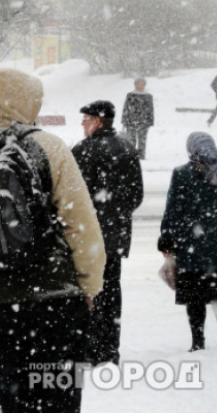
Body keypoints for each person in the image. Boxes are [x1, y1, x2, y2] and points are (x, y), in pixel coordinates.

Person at [0, 68, 105, 413]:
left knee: (5, 401)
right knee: (59, 399)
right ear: (30, 100)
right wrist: (88, 287)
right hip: (55, 300)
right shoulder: (50, 147)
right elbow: (82, 226)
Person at [72, 100, 144, 366]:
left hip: (88, 237)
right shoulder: (126, 148)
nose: (82, 124)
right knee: (111, 290)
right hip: (115, 237)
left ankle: (90, 349)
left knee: (87, 291)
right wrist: (117, 215)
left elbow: (71, 198)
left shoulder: (82, 151)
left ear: (98, 121)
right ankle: (110, 349)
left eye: (86, 118)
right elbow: (137, 195)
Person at [158, 132, 217, 351]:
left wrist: (167, 238)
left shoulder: (182, 174)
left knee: (195, 298)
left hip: (191, 248)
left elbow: (173, 209)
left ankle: (198, 342)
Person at [121, 77, 154, 159]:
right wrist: (124, 120)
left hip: (144, 121)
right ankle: (131, 155)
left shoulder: (148, 96)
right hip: (131, 121)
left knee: (142, 140)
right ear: (135, 85)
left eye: (142, 84)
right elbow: (126, 108)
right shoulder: (130, 95)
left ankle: (141, 155)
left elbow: (150, 109)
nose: (140, 86)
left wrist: (150, 121)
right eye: (139, 84)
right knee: (131, 140)